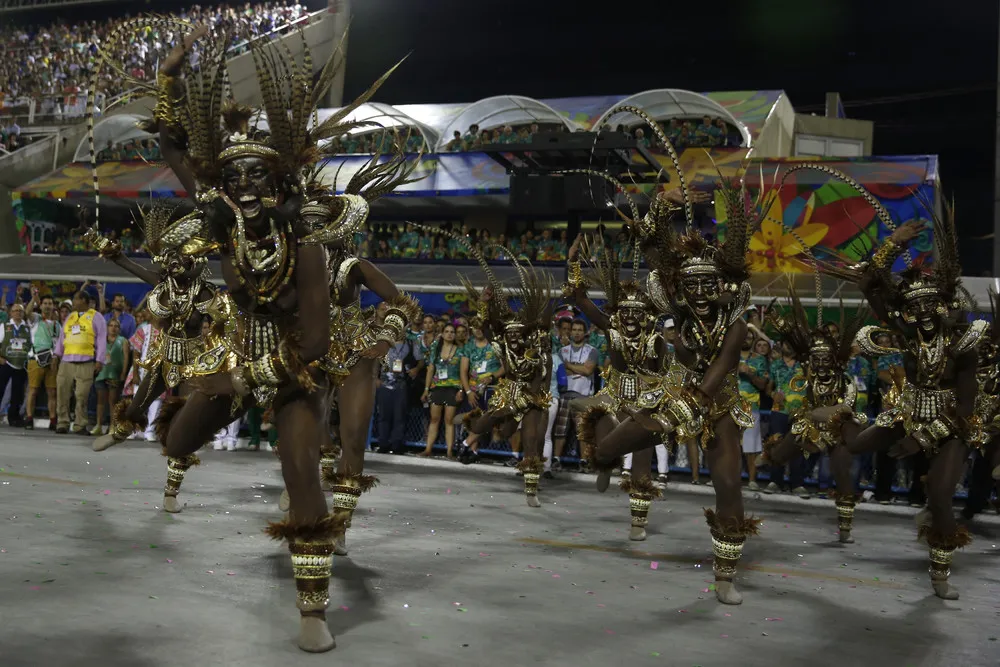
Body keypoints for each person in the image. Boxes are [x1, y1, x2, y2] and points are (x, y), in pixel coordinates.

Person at [144, 22, 417, 651]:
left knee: (301, 473)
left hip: (299, 369)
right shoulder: (227, 227)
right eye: (235, 179)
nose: (244, 188)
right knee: (178, 438)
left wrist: (379, 337)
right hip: (238, 354)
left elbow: (317, 346)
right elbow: (174, 149)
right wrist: (168, 79)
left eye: (259, 179)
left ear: (282, 186)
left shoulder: (315, 253)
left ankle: (313, 613)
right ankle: (181, 445)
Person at [584, 109, 762, 605]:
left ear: (724, 289)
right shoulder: (674, 307)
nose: (702, 291)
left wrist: (696, 403)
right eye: (693, 284)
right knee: (606, 450)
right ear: (682, 290)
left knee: (728, 487)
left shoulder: (737, 321)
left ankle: (725, 577)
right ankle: (603, 455)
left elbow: (725, 365)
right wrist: (662, 204)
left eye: (711, 284)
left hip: (715, 403)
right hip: (673, 394)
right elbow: (653, 250)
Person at [815, 169, 983, 600]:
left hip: (951, 422)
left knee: (943, 496)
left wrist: (924, 437)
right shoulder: (908, 334)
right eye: (916, 307)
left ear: (945, 307)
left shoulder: (963, 343)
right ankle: (842, 411)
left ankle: (940, 571)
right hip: (908, 408)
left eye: (932, 306)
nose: (924, 314)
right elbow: (870, 281)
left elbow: (967, 407)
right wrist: (894, 243)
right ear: (907, 314)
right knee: (852, 445)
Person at [567, 232, 666, 541]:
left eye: (638, 312)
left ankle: (638, 522)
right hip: (613, 394)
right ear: (618, 314)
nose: (631, 317)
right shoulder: (611, 330)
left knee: (641, 456)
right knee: (590, 412)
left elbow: (665, 374)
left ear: (648, 315)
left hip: (646, 400)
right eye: (625, 312)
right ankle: (605, 463)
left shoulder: (657, 339)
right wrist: (573, 263)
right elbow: (581, 299)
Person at [760, 288, 869, 543]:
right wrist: (779, 324)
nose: (820, 364)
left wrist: (821, 413)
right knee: (792, 438)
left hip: (841, 428)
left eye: (825, 359)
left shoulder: (846, 380)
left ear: (835, 361)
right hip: (812, 425)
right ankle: (772, 458)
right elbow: (792, 344)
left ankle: (845, 525)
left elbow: (845, 409)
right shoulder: (809, 374)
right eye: (815, 360)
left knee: (842, 472)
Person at [53, 290, 106, 434]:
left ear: (83, 300)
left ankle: (79, 425)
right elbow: (62, 337)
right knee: (62, 393)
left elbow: (101, 339)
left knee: (82, 395)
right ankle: (62, 423)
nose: (73, 302)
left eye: (75, 299)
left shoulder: (96, 317)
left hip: (86, 361)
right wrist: (56, 355)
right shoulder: (70, 316)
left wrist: (100, 360)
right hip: (66, 362)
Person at [419, 323, 463, 459]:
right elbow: (430, 369)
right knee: (434, 419)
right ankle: (428, 449)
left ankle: (449, 451)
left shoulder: (460, 350)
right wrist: (426, 389)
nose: (450, 334)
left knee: (449, 420)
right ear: (442, 334)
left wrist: (461, 390)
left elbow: (463, 372)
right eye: (447, 331)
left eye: (452, 332)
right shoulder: (435, 349)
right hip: (437, 387)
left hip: (453, 387)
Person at [23, 288, 59, 430]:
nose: (48, 306)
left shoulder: (57, 325)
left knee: (52, 392)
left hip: (51, 362)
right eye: (45, 303)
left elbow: (58, 344)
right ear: (41, 305)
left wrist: (56, 359)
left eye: (50, 303)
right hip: (35, 360)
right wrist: (34, 298)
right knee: (33, 390)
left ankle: (53, 420)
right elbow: (27, 313)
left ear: (53, 306)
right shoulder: (36, 319)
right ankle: (29, 419)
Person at [92, 317, 130, 435]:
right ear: (107, 327)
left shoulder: (123, 340)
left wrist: (124, 373)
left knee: (113, 401)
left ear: (119, 329)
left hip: (115, 374)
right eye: (111, 325)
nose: (113, 328)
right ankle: (98, 425)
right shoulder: (101, 339)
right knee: (100, 400)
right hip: (102, 372)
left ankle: (113, 426)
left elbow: (126, 358)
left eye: (116, 326)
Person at [0, 303, 32, 427]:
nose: (18, 312)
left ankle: (13, 417)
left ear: (23, 314)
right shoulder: (4, 326)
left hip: (21, 364)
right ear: (10, 313)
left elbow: (31, 345)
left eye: (20, 311)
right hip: (6, 362)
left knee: (17, 393)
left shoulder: (27, 328)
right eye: (15, 310)